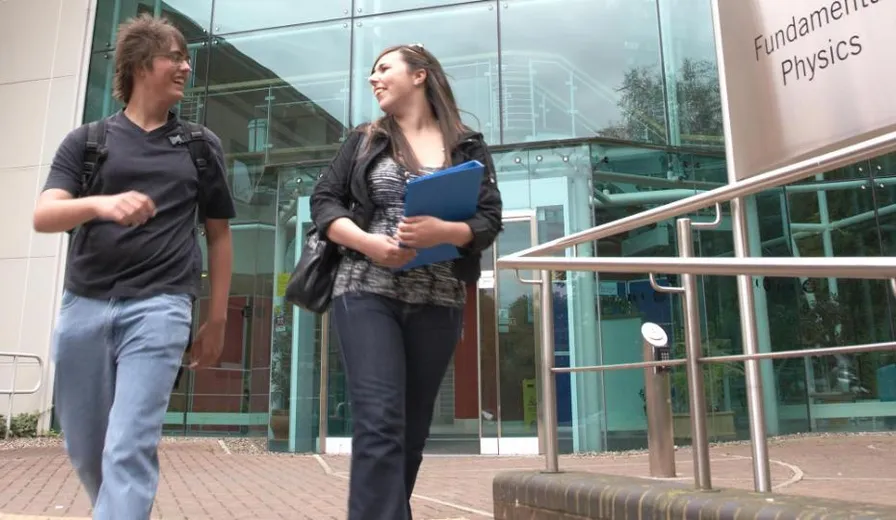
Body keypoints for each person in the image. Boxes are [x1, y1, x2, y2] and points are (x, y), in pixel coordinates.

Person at [32, 14, 235, 519]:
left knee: (128, 446)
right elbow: (44, 214)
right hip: (84, 307)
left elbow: (218, 234)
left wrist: (216, 319)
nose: (186, 67)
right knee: (86, 447)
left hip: (161, 308)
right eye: (175, 57)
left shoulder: (199, 146)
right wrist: (100, 205)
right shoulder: (88, 141)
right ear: (142, 64)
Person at [310, 43, 503, 519]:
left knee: (411, 434)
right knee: (379, 423)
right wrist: (368, 243)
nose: (374, 79)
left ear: (419, 76)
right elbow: (324, 202)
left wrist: (446, 232)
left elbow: (489, 219)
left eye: (383, 69)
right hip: (366, 288)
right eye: (372, 72)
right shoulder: (364, 140)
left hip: (439, 298)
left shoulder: (468, 145)